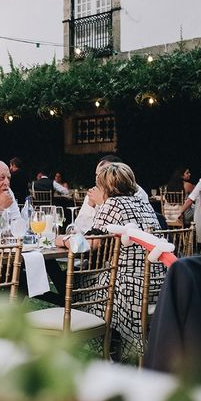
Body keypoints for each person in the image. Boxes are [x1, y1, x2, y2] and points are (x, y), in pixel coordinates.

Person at [55, 162, 164, 361]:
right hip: (156, 285)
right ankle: (113, 346)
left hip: (127, 289)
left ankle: (101, 341)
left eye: (98, 186)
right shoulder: (143, 203)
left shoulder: (113, 204)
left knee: (75, 285)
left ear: (106, 188)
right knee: (81, 276)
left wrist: (60, 239)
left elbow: (85, 245)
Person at [74, 155, 149, 233]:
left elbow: (132, 224)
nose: (98, 179)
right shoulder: (94, 192)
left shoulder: (136, 192)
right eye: (97, 175)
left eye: (105, 173)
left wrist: (103, 204)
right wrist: (90, 207)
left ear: (119, 174)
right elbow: (79, 229)